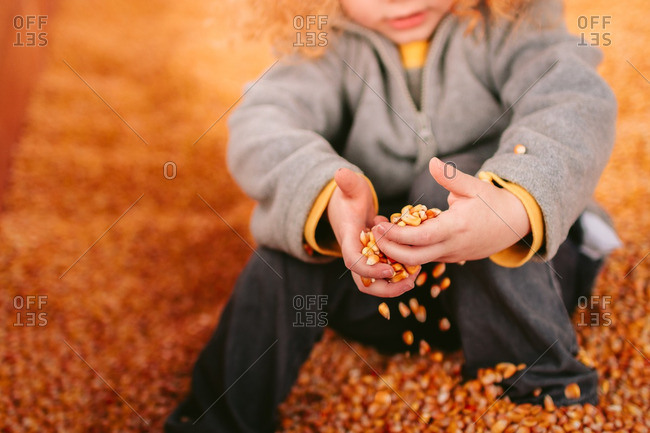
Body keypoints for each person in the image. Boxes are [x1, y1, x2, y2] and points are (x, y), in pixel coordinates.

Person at [166, 0, 620, 431]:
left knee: (441, 183)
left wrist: (512, 205)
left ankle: (543, 397)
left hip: (526, 284)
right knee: (291, 241)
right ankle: (217, 419)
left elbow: (572, 101)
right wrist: (327, 199)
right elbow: (262, 124)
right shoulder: (322, 38)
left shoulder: (509, 18)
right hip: (378, 288)